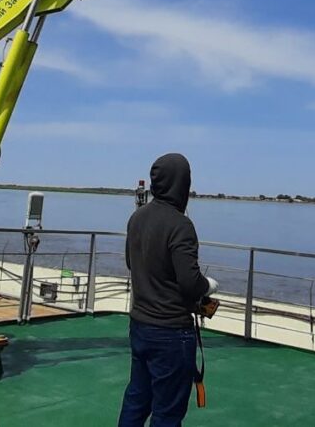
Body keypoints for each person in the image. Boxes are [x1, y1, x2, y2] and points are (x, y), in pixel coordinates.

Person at [118, 153, 216, 427]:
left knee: (137, 398)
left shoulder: (137, 218)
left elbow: (130, 262)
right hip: (171, 332)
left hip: (139, 325)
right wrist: (208, 285)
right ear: (182, 184)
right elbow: (189, 282)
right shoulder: (180, 225)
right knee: (167, 412)